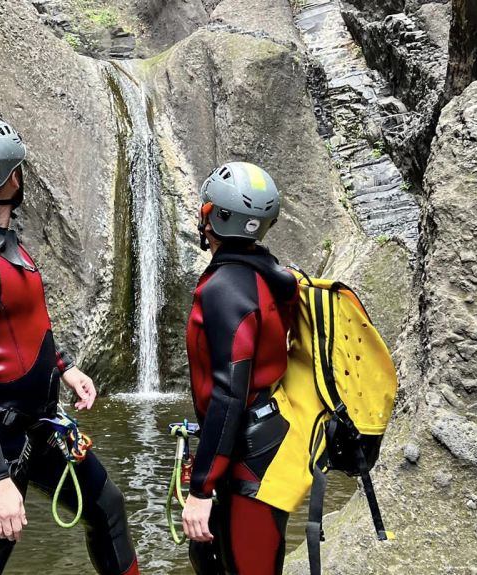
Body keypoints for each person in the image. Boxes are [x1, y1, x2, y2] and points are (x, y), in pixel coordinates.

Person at [0, 118, 140, 575]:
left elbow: (27, 325)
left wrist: (65, 368)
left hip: (40, 426)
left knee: (107, 508)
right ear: (11, 177)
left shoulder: (5, 245)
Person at [182, 162, 300, 574]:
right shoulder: (268, 274)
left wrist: (200, 488)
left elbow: (229, 394)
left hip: (247, 450)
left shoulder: (224, 290)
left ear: (212, 217)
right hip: (262, 436)